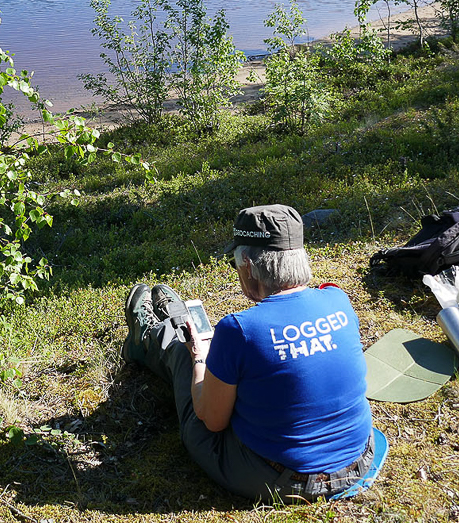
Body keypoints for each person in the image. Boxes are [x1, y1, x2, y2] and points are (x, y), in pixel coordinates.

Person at [123, 203, 374, 502]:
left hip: (282, 480)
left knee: (185, 359)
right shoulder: (338, 300)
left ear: (249, 267)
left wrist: (199, 356)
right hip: (359, 462)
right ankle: (169, 327)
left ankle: (150, 336)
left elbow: (212, 421)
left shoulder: (240, 329)